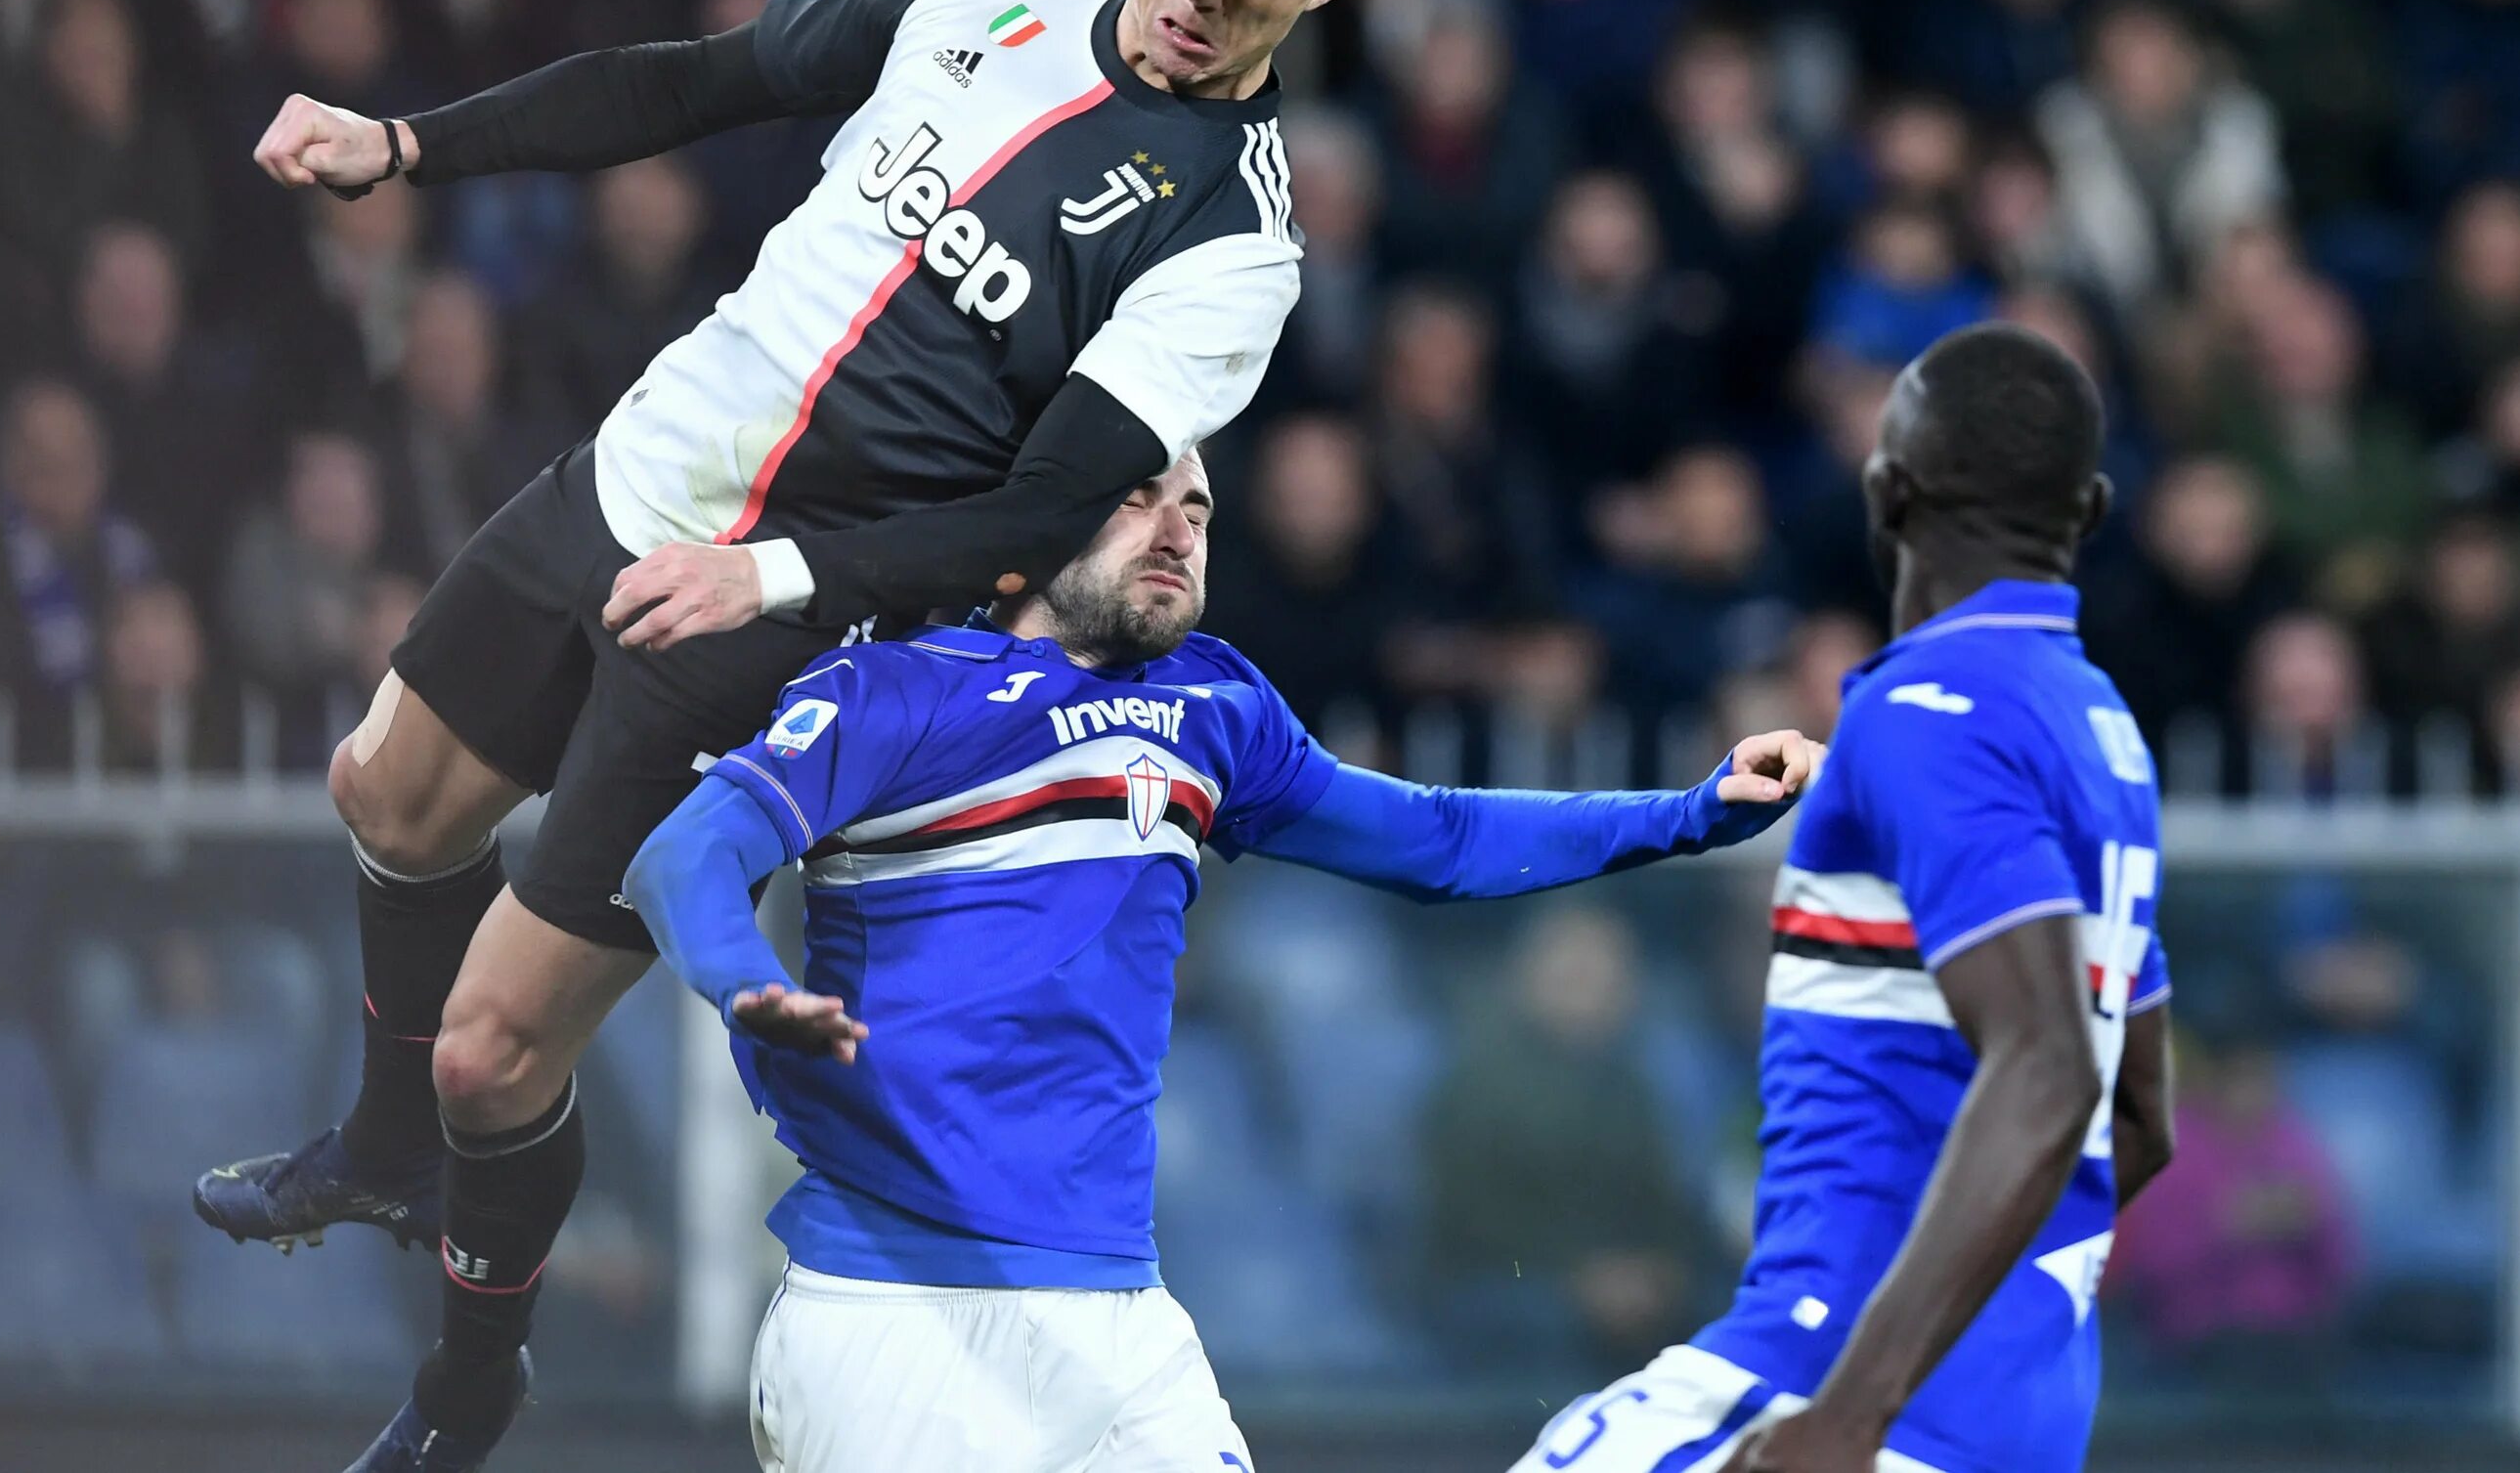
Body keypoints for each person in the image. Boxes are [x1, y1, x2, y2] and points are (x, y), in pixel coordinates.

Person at [193, 0, 1387, 1473]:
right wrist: (409, 143)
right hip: (641, 471)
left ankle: (467, 1384)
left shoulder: (1232, 246)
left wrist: (774, 569)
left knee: (493, 1056)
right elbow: (696, 78)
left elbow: (1044, 510)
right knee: (385, 791)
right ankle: (379, 1147)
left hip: (782, 617)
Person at [618, 447, 1824, 1473]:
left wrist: (1692, 809)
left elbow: (1440, 834)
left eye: (1196, 507)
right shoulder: (897, 692)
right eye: (1139, 495)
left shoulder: (1214, 707)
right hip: (893, 1311)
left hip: (1123, 1320)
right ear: (1038, 516)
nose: (1177, 529)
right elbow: (687, 854)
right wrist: (744, 979)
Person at [1515, 322, 2176, 1473]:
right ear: (2095, 510)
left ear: (1887, 490)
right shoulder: (2100, 731)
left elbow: (2054, 1063)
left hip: (1835, 1377)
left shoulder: (1925, 708)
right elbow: (2139, 1118)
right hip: (2015, 1412)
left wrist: (1852, 1415)